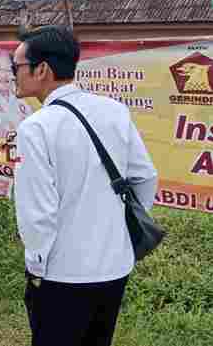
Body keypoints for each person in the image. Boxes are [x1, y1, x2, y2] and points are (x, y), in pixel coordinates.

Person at [12, 25, 158, 346]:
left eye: (16, 66)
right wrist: (118, 234)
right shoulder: (114, 111)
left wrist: (36, 267)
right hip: (114, 267)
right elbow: (145, 177)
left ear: (42, 70)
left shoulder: (36, 128)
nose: (14, 75)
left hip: (62, 274)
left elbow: (38, 213)